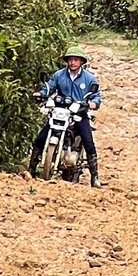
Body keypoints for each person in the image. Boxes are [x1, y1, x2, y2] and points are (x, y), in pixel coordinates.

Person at [31, 47, 102, 186]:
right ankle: (31, 169)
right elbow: (49, 87)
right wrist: (41, 93)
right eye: (70, 59)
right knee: (41, 137)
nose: (73, 62)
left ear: (81, 61)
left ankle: (95, 176)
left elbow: (96, 96)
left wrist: (93, 103)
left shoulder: (89, 78)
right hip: (60, 111)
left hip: (79, 113)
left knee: (88, 141)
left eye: (76, 59)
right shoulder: (59, 75)